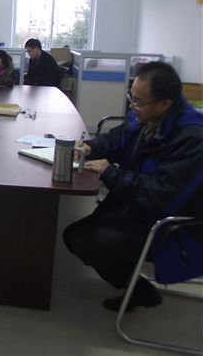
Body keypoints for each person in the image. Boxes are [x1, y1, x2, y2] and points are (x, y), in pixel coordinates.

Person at [63, 61, 203, 313]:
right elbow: (116, 139)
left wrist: (111, 173)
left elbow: (161, 195)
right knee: (73, 235)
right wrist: (90, 147)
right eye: (131, 97)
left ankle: (140, 291)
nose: (131, 106)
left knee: (83, 241)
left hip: (166, 223)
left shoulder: (191, 138)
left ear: (165, 104)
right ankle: (130, 276)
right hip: (136, 205)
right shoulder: (147, 118)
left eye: (138, 101)